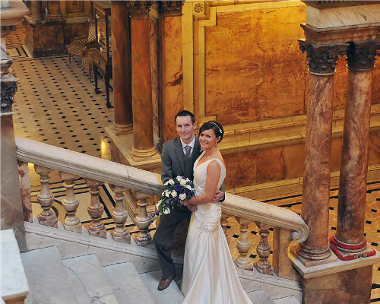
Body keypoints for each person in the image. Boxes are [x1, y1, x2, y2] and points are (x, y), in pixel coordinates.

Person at [181, 121, 253, 304]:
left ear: (217, 139)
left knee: (203, 253)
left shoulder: (214, 163)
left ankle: (205, 295)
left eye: (208, 136)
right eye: (202, 134)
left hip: (206, 213)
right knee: (193, 250)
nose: (203, 139)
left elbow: (208, 196)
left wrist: (187, 201)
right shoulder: (204, 154)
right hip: (198, 211)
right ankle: (194, 288)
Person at [153, 110, 224, 291]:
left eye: (187, 125)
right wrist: (180, 198)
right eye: (179, 126)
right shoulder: (169, 148)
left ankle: (205, 282)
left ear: (194, 125)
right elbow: (166, 178)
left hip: (201, 206)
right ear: (176, 127)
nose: (183, 130)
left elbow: (217, 174)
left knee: (201, 245)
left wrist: (222, 194)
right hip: (179, 204)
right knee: (159, 238)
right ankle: (168, 272)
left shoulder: (205, 144)